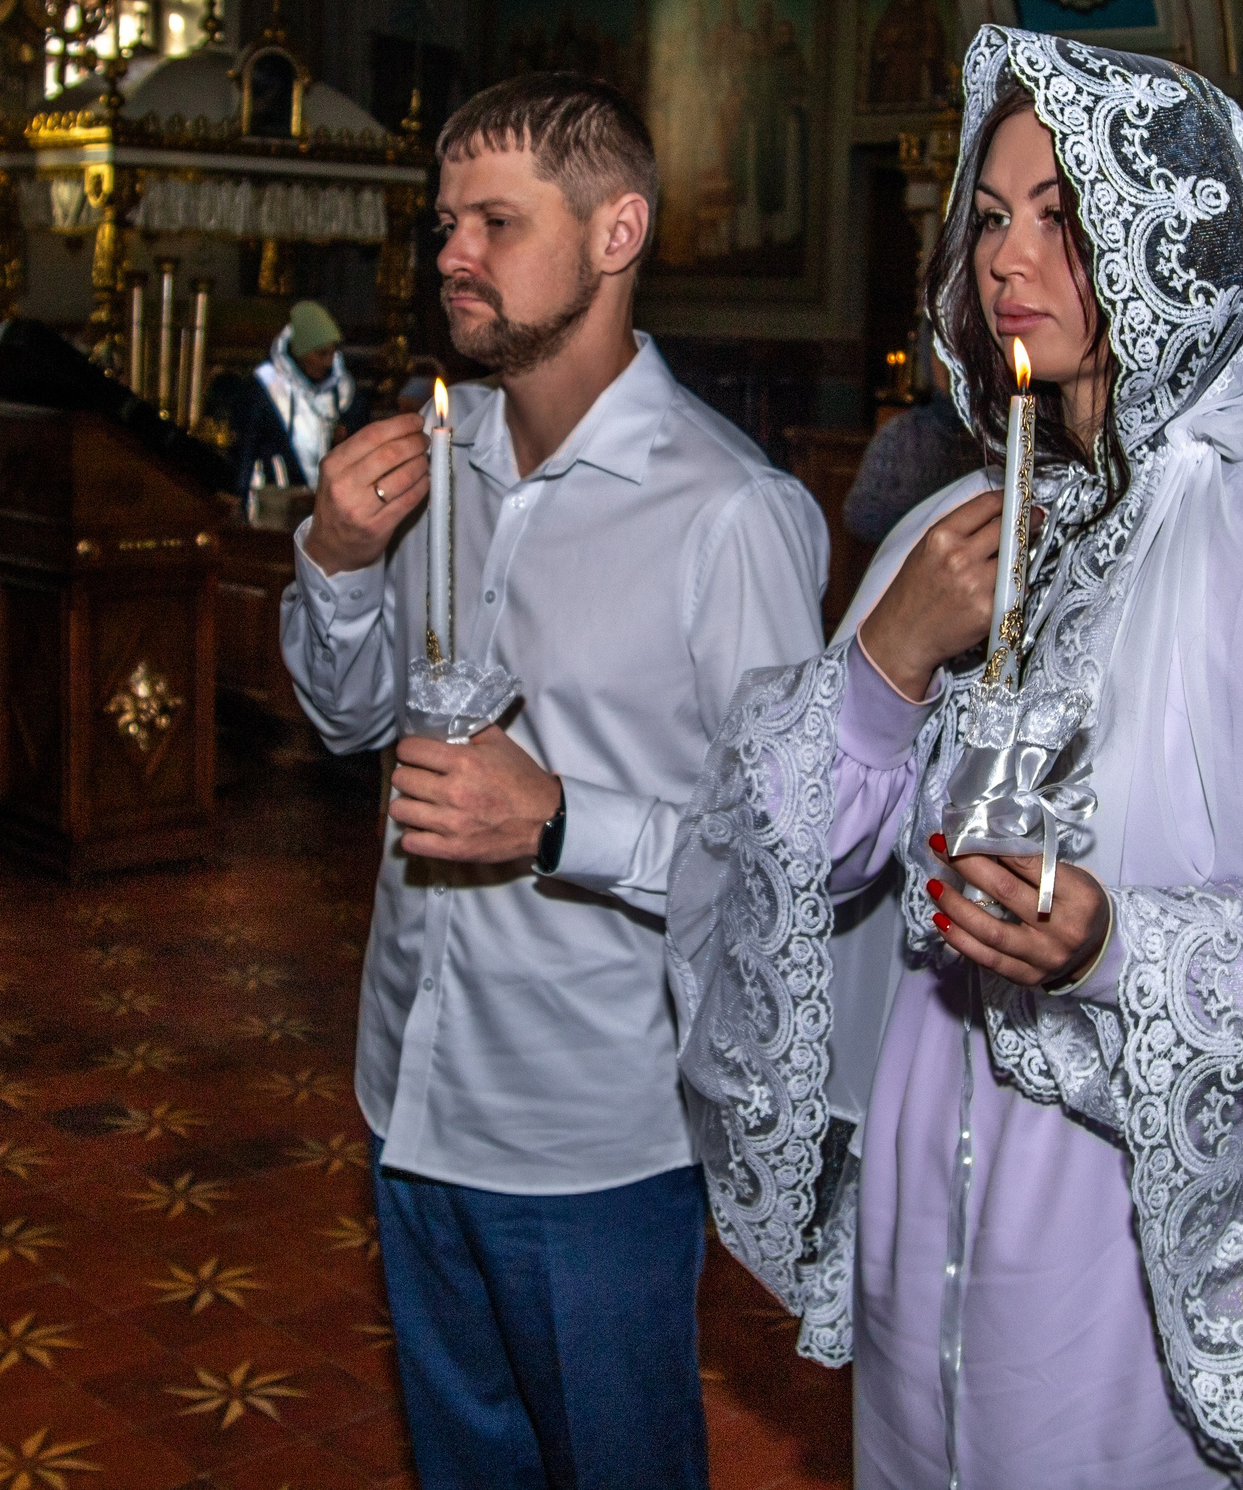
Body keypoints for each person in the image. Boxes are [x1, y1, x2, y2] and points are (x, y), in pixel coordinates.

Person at [669, 28, 1243, 1490]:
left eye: (1064, 214)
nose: (1008, 259)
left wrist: (1110, 943)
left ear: (1179, 250)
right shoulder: (951, 532)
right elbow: (791, 853)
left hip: (1120, 1210)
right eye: (990, 215)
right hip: (929, 1159)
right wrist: (886, 663)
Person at [279, 73, 827, 1489]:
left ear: (614, 231)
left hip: (595, 1127)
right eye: (445, 221)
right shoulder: (430, 462)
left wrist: (565, 819)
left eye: (498, 221)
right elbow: (345, 724)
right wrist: (335, 561)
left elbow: (799, 855)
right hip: (409, 1079)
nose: (453, 252)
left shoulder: (730, 512)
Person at [230, 299, 372, 497]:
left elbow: (363, 441)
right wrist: (239, 494)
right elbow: (246, 449)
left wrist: (346, 433)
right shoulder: (265, 389)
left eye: (332, 353)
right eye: (321, 354)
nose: (328, 362)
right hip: (276, 497)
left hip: (328, 499)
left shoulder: (343, 390)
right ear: (300, 352)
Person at [840, 354, 981, 546]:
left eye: (961, 352)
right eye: (943, 353)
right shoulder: (902, 433)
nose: (953, 364)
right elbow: (858, 515)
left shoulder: (993, 438)